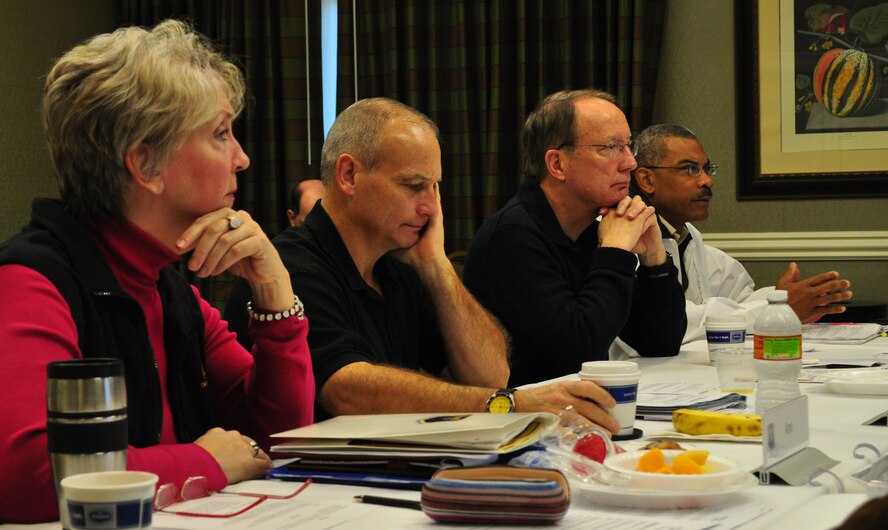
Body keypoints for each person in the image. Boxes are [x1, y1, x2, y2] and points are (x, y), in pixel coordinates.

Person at [0, 20, 314, 523]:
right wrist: (206, 461)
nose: (243, 158)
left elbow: (280, 440)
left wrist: (275, 291)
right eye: (220, 134)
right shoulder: (30, 283)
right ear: (146, 165)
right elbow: (27, 477)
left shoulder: (170, 288)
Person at [225, 97, 623, 433]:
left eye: (435, 187)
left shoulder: (399, 265)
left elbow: (491, 375)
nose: (431, 207)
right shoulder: (293, 266)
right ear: (349, 174)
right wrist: (507, 404)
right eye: (414, 186)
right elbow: (346, 390)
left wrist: (436, 267)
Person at [462, 89, 686, 386]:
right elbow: (579, 350)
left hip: (573, 411)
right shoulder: (512, 237)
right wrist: (616, 252)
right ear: (557, 164)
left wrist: (654, 260)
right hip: (520, 420)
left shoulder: (590, 230)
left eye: (627, 145)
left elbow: (660, 343)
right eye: (610, 147)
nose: (630, 163)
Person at [630, 124, 852, 343]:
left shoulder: (688, 237)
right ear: (647, 180)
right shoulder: (626, 238)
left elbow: (738, 298)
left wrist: (784, 298)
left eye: (707, 169)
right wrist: (773, 309)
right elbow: (673, 322)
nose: (708, 181)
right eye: (691, 169)